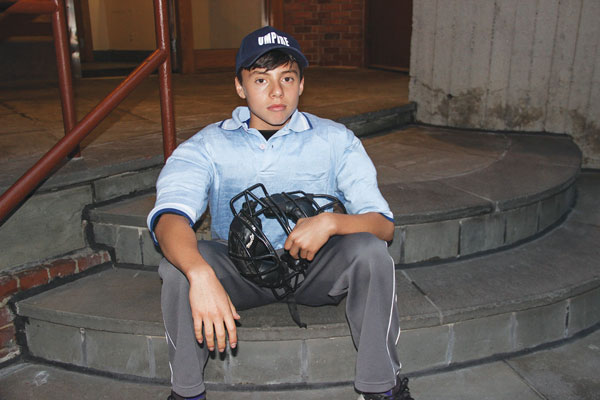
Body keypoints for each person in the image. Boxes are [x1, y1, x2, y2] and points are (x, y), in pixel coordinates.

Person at [147, 26, 413, 400]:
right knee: (177, 267)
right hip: (239, 269)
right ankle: (187, 392)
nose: (276, 92)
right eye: (261, 79)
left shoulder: (335, 139)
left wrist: (332, 221)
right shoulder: (209, 144)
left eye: (287, 78)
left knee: (370, 252)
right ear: (240, 86)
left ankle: (382, 388)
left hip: (314, 267)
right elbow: (168, 218)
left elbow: (383, 225)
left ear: (301, 84)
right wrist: (200, 273)